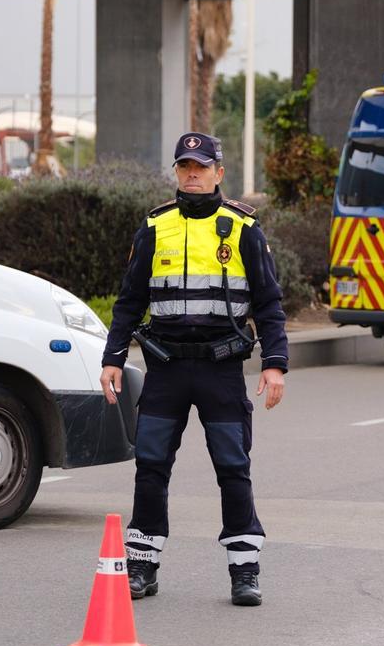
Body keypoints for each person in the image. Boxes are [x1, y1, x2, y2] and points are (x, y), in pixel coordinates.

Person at [99, 132, 289, 607]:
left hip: (221, 369)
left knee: (232, 468)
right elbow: (129, 301)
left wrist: (275, 364)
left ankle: (244, 570)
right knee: (151, 468)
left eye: (201, 166)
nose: (192, 173)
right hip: (165, 368)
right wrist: (113, 358)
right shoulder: (155, 226)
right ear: (176, 172)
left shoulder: (243, 228)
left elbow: (268, 303)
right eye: (184, 166)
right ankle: (142, 565)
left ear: (219, 173)